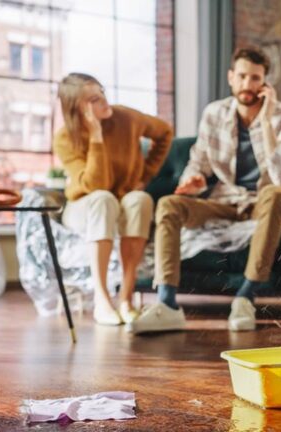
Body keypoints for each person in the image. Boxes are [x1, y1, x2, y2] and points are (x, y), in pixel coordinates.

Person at [127, 47, 281, 334]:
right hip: (225, 199)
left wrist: (268, 121)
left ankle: (245, 297)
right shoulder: (215, 113)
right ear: (231, 77)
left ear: (265, 83)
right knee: (169, 205)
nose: (248, 84)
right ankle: (167, 303)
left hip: (264, 201)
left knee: (277, 194)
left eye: (255, 78)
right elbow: (198, 161)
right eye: (243, 76)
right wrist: (193, 181)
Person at [54, 72, 173, 326]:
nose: (104, 101)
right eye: (94, 99)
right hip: (83, 206)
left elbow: (165, 132)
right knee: (102, 198)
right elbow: (95, 185)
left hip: (121, 200)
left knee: (140, 199)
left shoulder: (126, 118)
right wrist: (96, 136)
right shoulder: (65, 137)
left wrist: (147, 174)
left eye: (102, 93)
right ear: (77, 108)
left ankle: (126, 298)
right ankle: (102, 298)